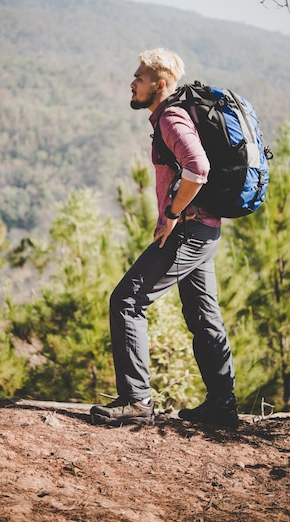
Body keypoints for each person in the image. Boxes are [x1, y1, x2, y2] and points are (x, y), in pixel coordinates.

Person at [90, 48, 238, 428]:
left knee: (126, 299)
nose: (132, 83)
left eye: (138, 78)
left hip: (190, 229)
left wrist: (171, 213)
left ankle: (137, 401)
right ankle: (223, 406)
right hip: (204, 230)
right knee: (204, 316)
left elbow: (197, 167)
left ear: (159, 84)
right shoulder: (173, 115)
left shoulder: (172, 116)